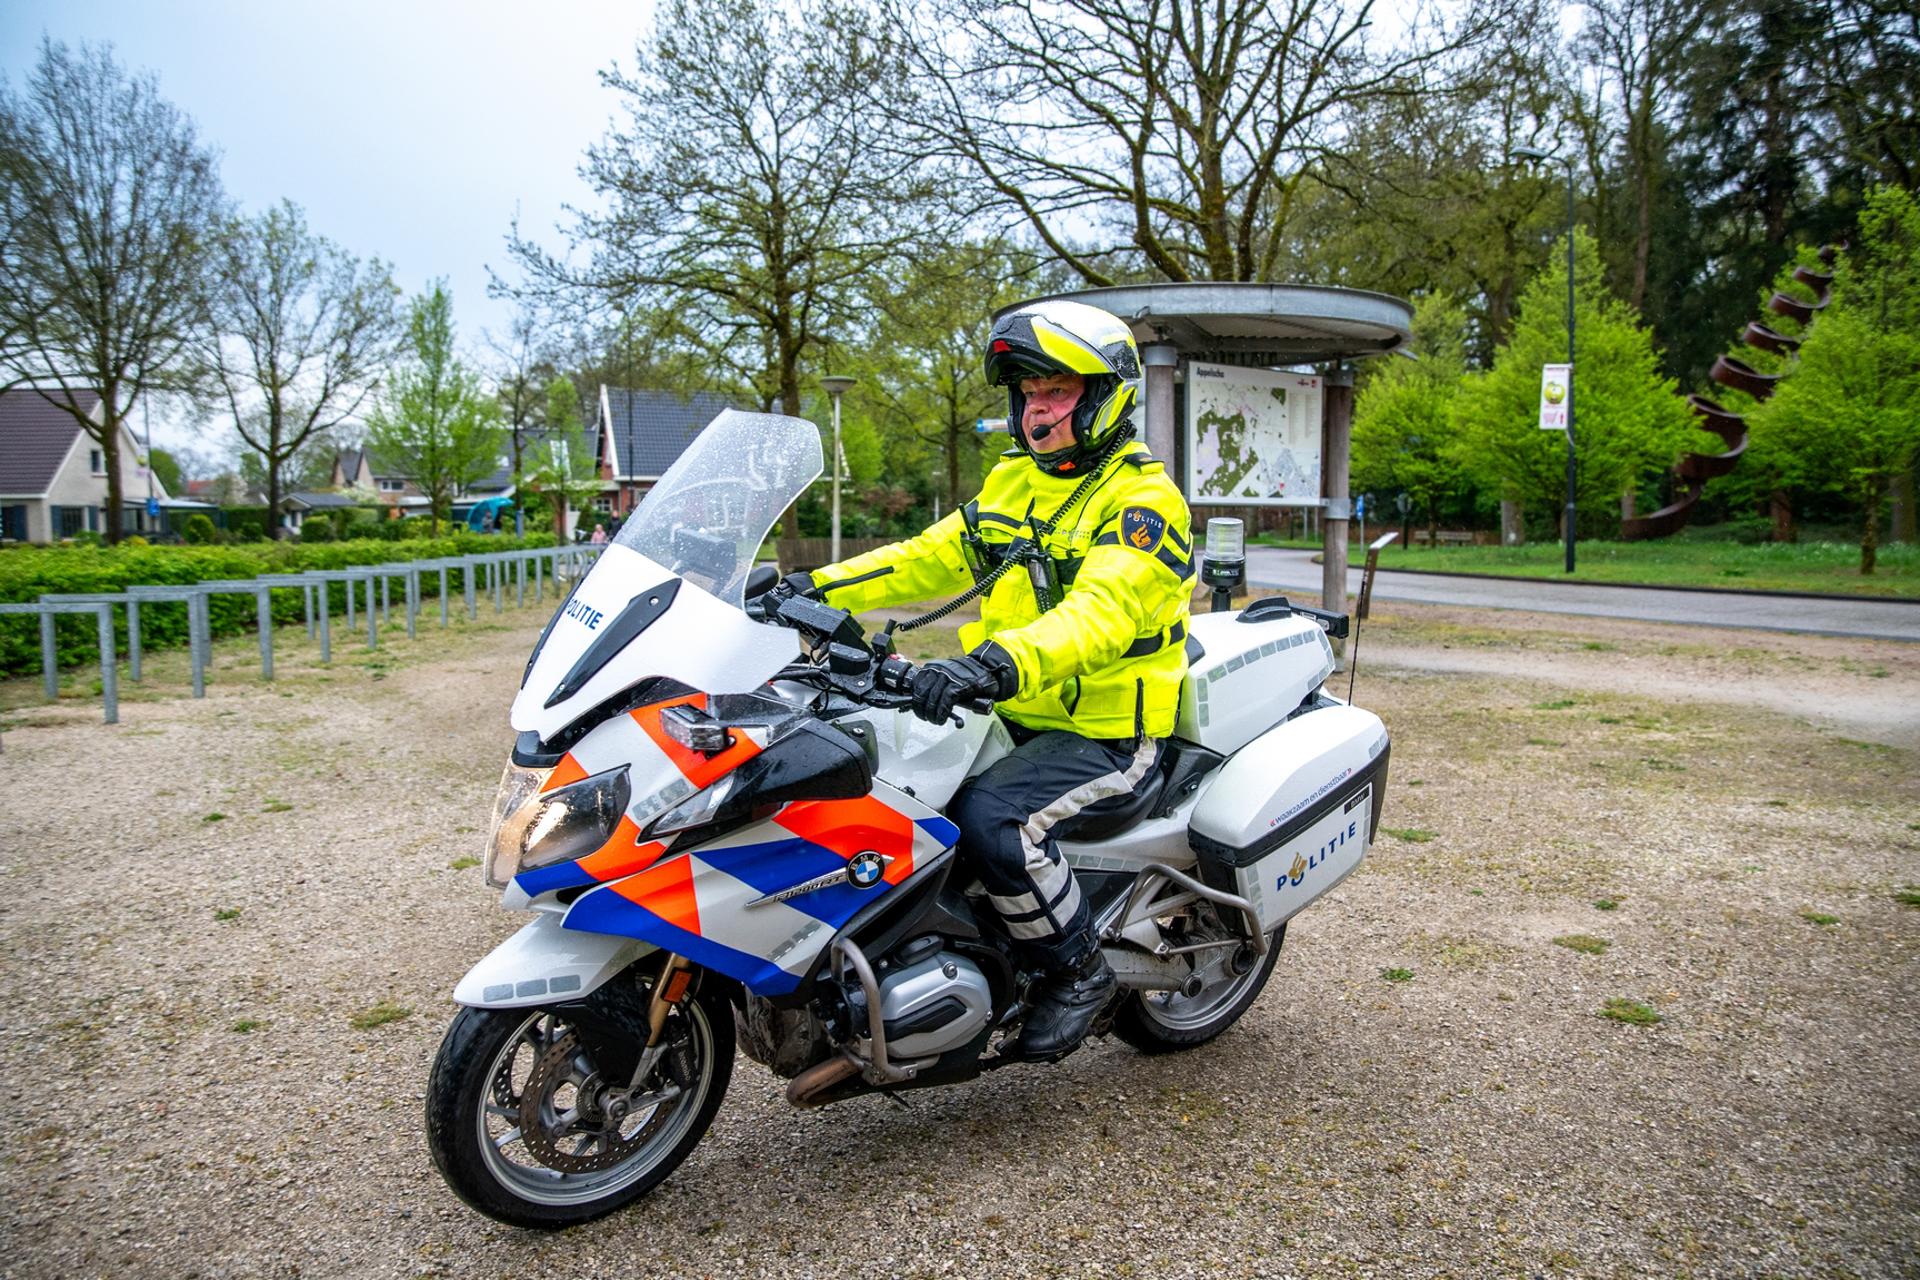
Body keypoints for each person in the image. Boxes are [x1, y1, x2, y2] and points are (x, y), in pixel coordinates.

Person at [761, 299, 1194, 1061]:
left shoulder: (1143, 503)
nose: (1039, 412)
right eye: (1030, 394)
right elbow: (928, 555)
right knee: (885, 783)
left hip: (1106, 733)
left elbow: (1101, 613)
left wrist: (991, 664)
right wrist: (812, 589)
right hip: (1012, 713)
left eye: (1057, 392)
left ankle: (1079, 970)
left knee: (993, 817)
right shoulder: (1015, 483)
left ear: (1105, 395)